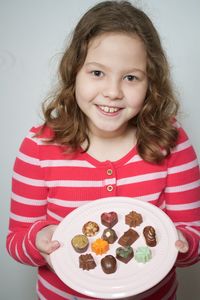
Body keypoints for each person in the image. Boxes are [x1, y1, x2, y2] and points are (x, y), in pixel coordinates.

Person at [6, 1, 200, 299]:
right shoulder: (38, 148)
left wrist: (182, 241)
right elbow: (16, 241)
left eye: (131, 77)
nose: (112, 91)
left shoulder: (172, 142)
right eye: (97, 73)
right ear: (74, 72)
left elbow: (194, 241)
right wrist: (37, 240)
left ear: (151, 83)